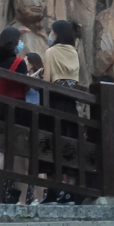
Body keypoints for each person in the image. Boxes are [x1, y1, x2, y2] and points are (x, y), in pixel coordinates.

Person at [43, 20, 83, 204]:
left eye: (51, 32)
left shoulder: (50, 52)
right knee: (70, 145)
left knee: (51, 145)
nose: (50, 35)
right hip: (70, 103)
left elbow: (47, 80)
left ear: (57, 34)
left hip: (54, 102)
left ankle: (52, 191)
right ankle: (70, 192)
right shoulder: (74, 52)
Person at [0, 26, 31, 203]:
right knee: (21, 156)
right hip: (18, 109)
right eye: (19, 40)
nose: (20, 43)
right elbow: (25, 87)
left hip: (1, 109)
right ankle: (21, 199)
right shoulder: (19, 63)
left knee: (4, 153)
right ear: (14, 43)